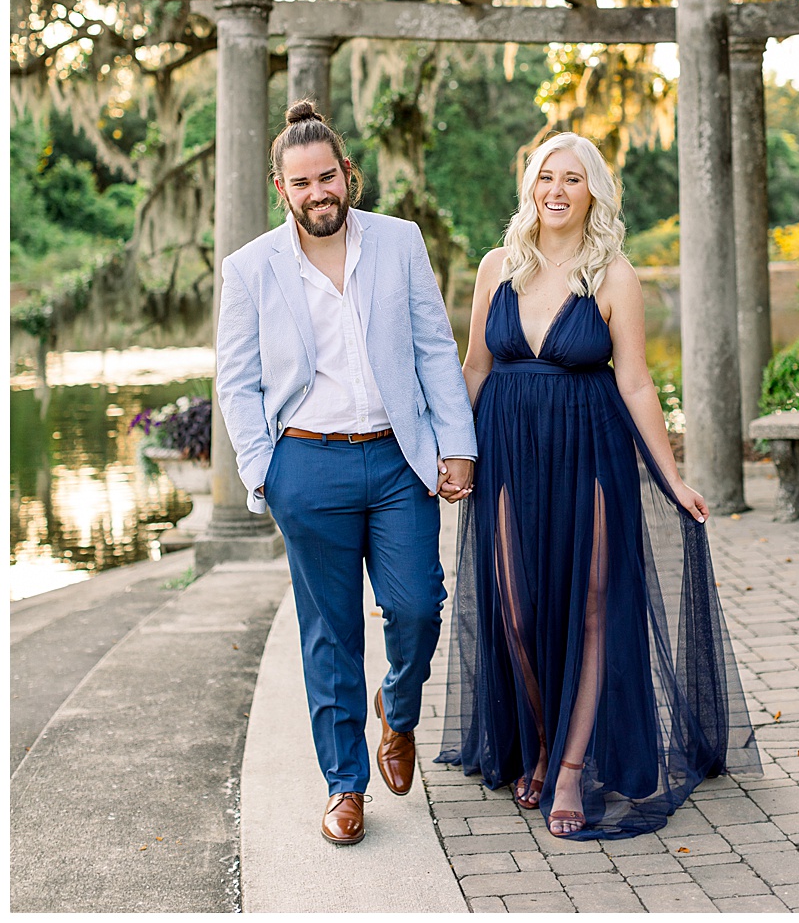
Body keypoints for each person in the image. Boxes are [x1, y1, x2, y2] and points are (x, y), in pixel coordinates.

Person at [436, 131, 759, 838]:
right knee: (517, 609)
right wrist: (455, 451)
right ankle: (542, 740)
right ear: (530, 188)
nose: (556, 190)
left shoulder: (613, 275)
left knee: (589, 609)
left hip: (590, 447)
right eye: (545, 177)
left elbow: (636, 382)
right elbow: (474, 368)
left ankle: (572, 768)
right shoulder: (498, 266)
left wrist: (672, 475)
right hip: (507, 449)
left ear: (593, 193)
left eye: (572, 179)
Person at [214, 100, 477, 847]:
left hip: (399, 461)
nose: (316, 192)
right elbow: (237, 381)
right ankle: (344, 783)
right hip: (307, 464)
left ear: (347, 174)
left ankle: (399, 707)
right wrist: (265, 473)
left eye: (326, 176)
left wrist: (455, 446)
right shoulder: (250, 269)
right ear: (281, 187)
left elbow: (434, 348)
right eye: (300, 183)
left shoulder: (398, 243)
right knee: (329, 635)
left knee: (419, 606)